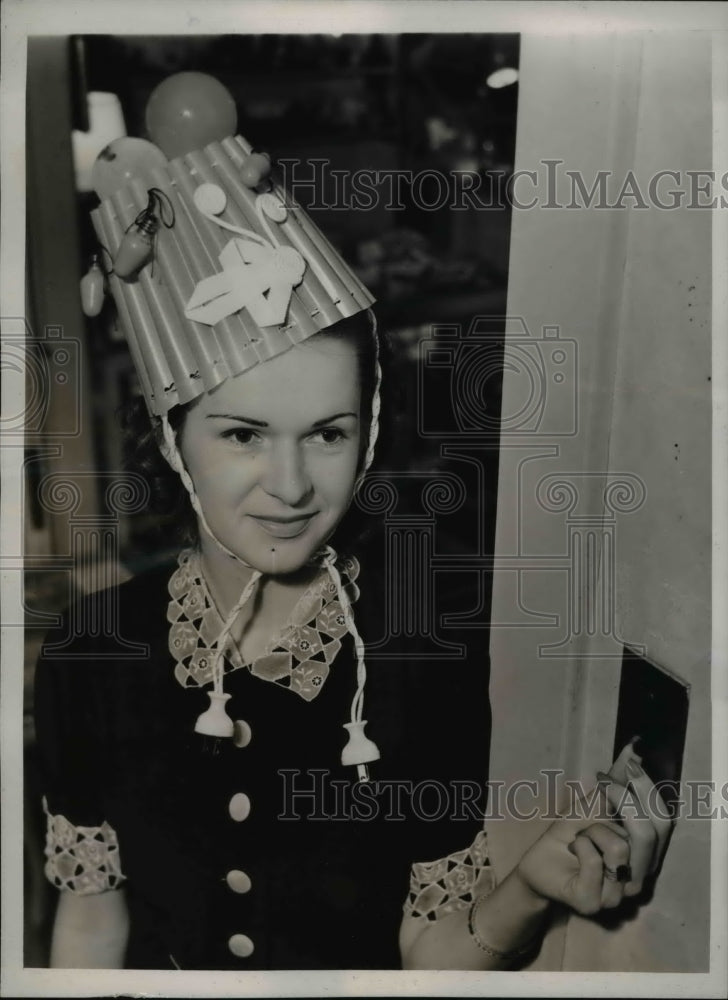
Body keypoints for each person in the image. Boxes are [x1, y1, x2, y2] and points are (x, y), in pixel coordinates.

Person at [34, 110, 672, 972]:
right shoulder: (88, 654)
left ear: (366, 439)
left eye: (327, 434)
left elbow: (429, 957)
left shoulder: (424, 664)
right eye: (243, 434)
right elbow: (89, 929)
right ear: (168, 439)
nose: (292, 485)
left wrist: (527, 890)